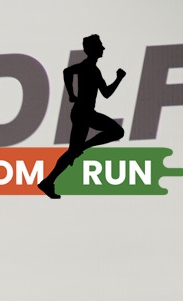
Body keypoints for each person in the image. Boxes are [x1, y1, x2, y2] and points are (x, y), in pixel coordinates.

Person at [40, 34, 127, 198]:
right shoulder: (87, 66)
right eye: (100, 46)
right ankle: (49, 180)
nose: (103, 48)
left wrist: (71, 94)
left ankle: (48, 181)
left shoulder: (92, 68)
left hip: (85, 112)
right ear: (91, 49)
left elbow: (105, 92)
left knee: (73, 151)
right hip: (83, 113)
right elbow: (67, 72)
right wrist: (118, 78)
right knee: (116, 132)